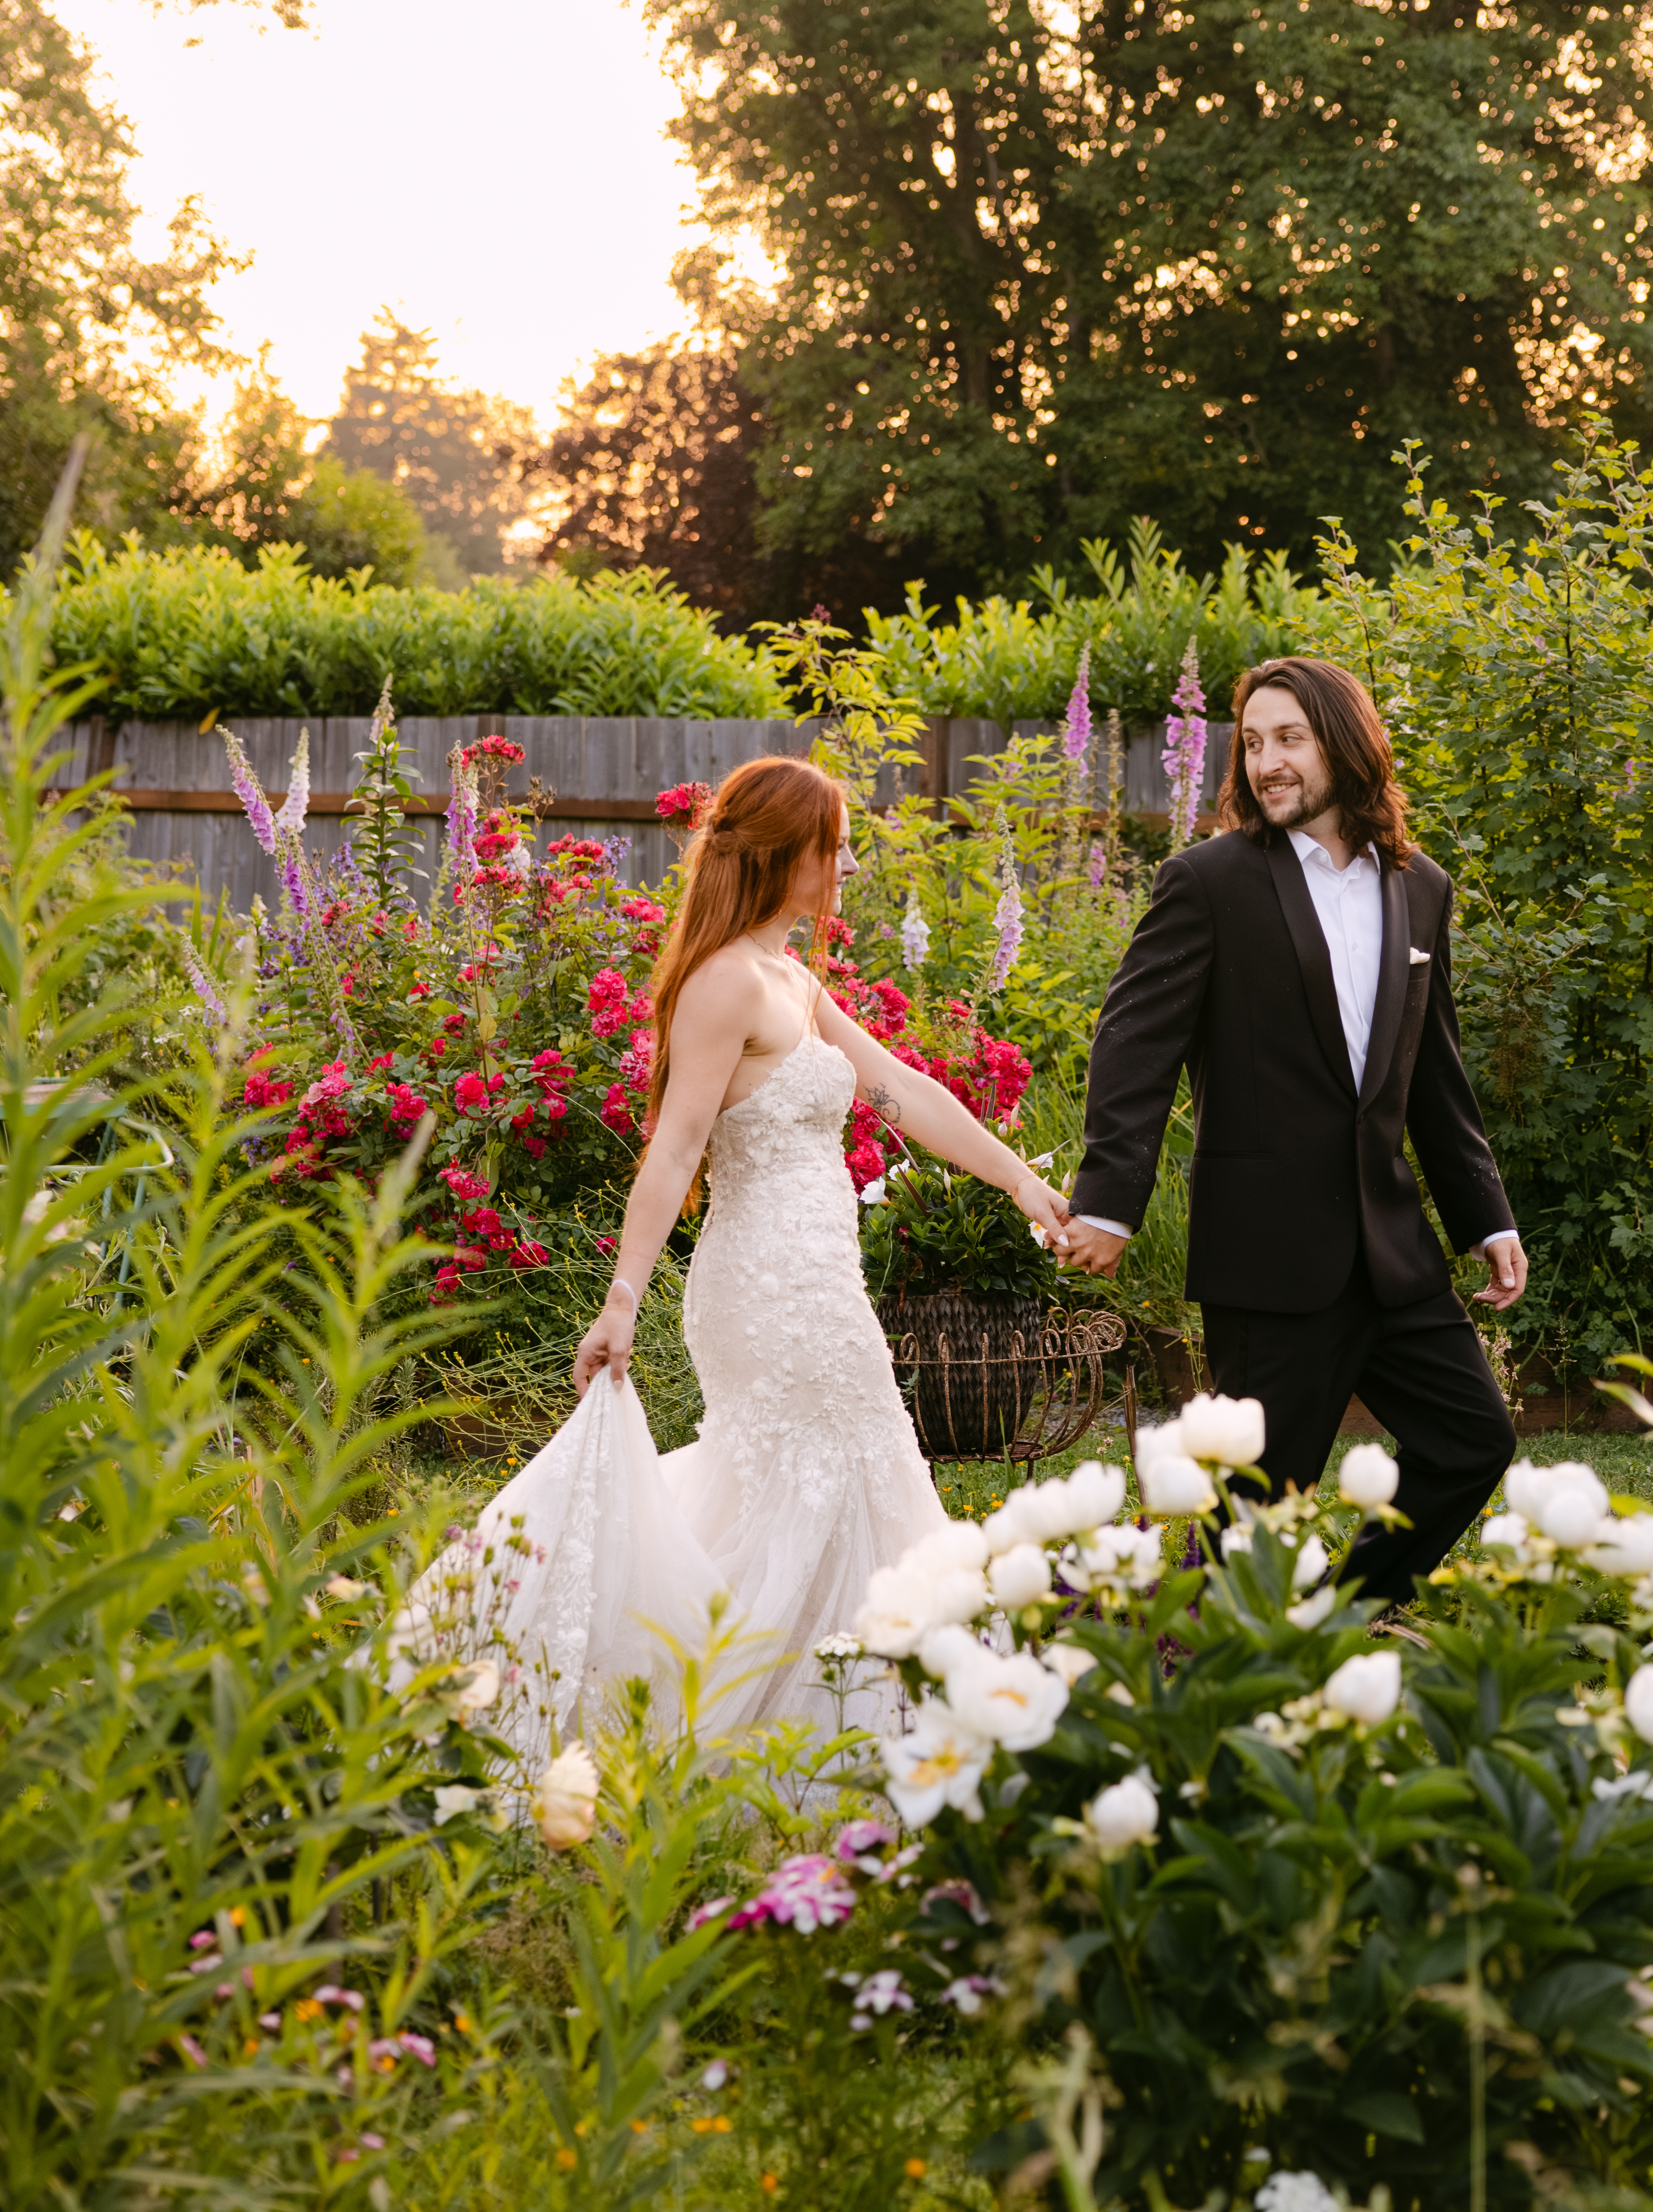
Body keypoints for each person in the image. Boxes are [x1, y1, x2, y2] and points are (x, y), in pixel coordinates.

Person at [394, 757, 1075, 1752]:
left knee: (822, 1481)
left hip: (819, 1283)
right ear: (777, 854)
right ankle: (759, 1736)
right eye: (828, 846)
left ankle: (830, 1728)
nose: (842, 863)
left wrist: (1020, 1180)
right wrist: (621, 1298)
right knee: (833, 1474)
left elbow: (902, 1091)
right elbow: (674, 1148)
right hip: (765, 1292)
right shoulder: (724, 982)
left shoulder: (792, 979)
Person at [1053, 655, 1524, 1607]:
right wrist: (1108, 1200)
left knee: (1476, 1439)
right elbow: (1134, 1045)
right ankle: (1223, 1681)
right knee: (1258, 1514)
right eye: (1253, 742)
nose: (1265, 762)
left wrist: (1487, 1215)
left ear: (1345, 746)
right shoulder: (1209, 883)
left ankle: (1338, 1624)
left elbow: (1434, 1072)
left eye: (1289, 739)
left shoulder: (1419, 888)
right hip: (1267, 1261)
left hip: (1393, 1253)